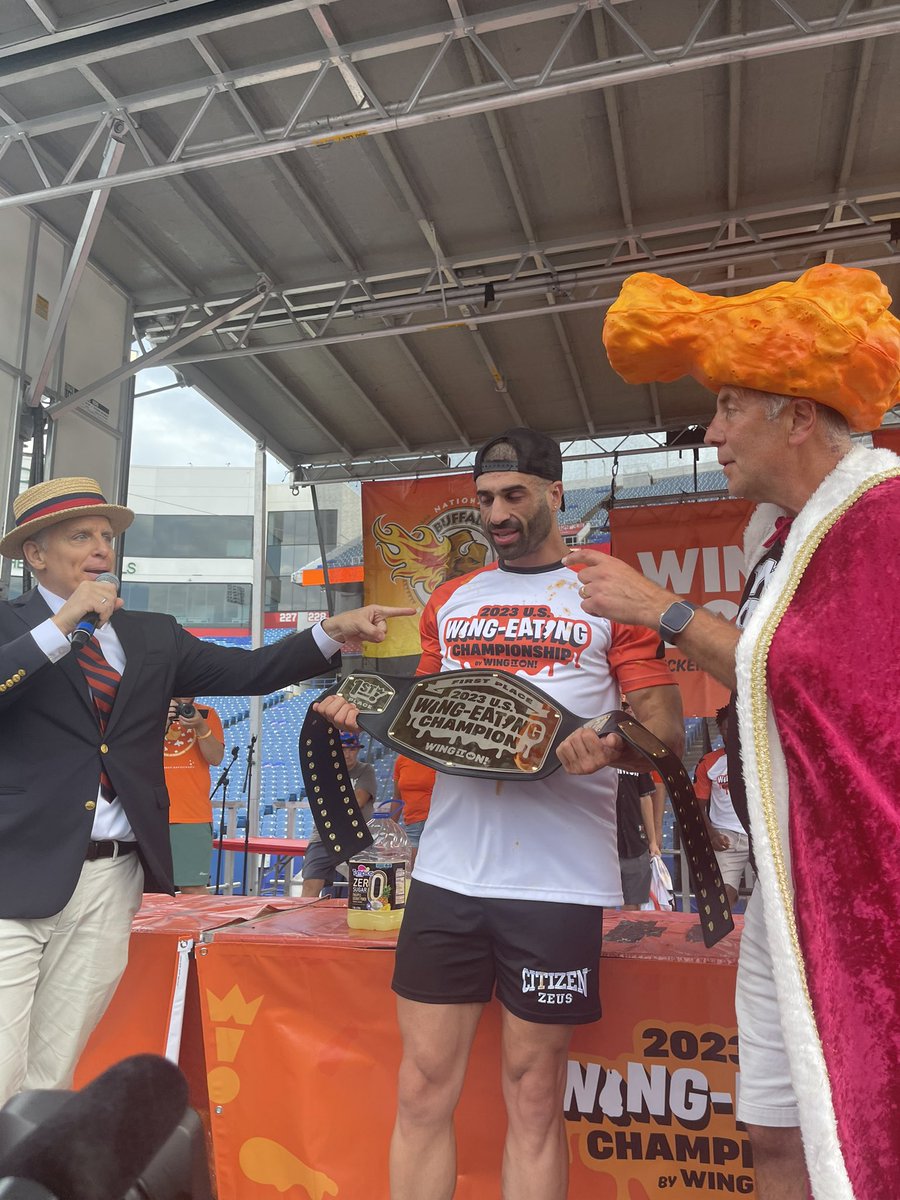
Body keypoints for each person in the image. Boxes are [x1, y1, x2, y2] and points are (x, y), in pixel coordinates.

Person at [566, 264, 900, 1200]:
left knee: (854, 1122)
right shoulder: (787, 537)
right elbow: (772, 682)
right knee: (772, 1126)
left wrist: (661, 611)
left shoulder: (879, 521)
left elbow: (825, 684)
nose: (711, 433)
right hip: (785, 886)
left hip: (850, 894)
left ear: (797, 413)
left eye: (727, 406)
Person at [316, 427, 682, 1200]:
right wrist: (364, 710)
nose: (498, 513)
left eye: (514, 495)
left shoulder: (607, 592)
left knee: (535, 1097)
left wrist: (611, 745)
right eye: (485, 499)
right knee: (420, 1088)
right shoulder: (452, 598)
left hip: (557, 885)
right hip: (449, 873)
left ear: (555, 492)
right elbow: (417, 711)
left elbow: (662, 734)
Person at [0, 475, 412, 1103]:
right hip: (11, 873)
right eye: (80, 535)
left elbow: (251, 670)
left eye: (107, 537)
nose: (100, 549)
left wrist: (332, 631)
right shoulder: (12, 626)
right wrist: (63, 625)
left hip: (109, 882)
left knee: (49, 1079)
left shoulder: (153, 635)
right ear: (34, 554)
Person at [300, 732, 377, 897]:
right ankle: (305, 920)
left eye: (352, 749)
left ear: (357, 751)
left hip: (356, 835)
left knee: (366, 886)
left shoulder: (366, 770)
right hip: (324, 834)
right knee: (310, 883)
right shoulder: (324, 771)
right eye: (343, 749)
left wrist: (333, 802)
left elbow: (358, 802)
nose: (348, 754)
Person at [163, 696, 225, 894]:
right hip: (146, 813)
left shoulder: (207, 714)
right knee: (142, 891)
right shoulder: (145, 713)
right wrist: (158, 722)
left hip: (190, 815)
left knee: (194, 889)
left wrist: (200, 726)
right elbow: (132, 754)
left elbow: (215, 758)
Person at [693, 706, 750, 908]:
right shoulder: (709, 763)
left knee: (774, 895)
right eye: (727, 729)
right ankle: (725, 939)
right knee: (723, 898)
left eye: (736, 728)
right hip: (727, 837)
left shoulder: (762, 760)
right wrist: (711, 834)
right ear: (720, 729)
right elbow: (697, 807)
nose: (732, 733)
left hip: (760, 837)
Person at [615, 768, 657, 911]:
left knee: (633, 905)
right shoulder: (597, 759)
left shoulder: (635, 760)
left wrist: (653, 841)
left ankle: (627, 934)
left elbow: (645, 798)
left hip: (634, 842)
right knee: (602, 904)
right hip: (603, 844)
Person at [392, 753, 436, 868]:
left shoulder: (437, 758)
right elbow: (397, 797)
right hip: (412, 826)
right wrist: (390, 828)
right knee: (411, 874)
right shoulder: (401, 760)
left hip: (434, 824)